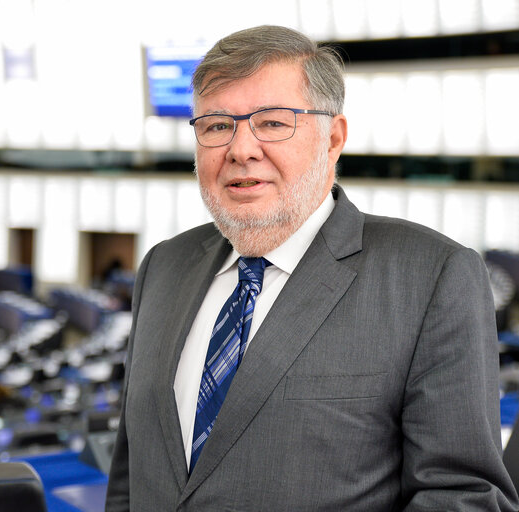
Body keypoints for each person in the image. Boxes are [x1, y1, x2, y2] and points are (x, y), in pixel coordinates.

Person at [105, 25, 519, 511]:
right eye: (217, 125)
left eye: (273, 123)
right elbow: (132, 478)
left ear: (333, 139)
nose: (240, 150)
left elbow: (463, 497)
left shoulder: (431, 277)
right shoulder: (163, 266)